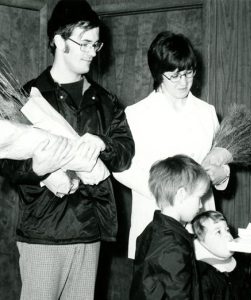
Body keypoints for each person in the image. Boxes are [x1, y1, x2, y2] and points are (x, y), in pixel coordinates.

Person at [0, 1, 134, 299]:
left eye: (96, 44)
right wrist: (37, 167)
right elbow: (7, 165)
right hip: (44, 232)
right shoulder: (26, 97)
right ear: (59, 41)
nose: (92, 51)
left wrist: (104, 144)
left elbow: (125, 152)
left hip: (89, 230)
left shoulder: (106, 101)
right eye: (84, 43)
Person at [113, 31, 232, 260]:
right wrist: (168, 194)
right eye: (174, 75)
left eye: (188, 73)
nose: (183, 82)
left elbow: (220, 158)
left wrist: (223, 173)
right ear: (158, 74)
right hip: (155, 217)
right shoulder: (136, 114)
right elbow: (122, 168)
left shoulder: (206, 112)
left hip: (202, 219)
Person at [130, 154, 210, 299]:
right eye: (199, 197)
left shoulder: (152, 230)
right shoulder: (174, 245)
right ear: (181, 195)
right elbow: (179, 294)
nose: (201, 205)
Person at [192, 210, 251, 300]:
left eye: (227, 229)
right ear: (201, 242)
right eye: (218, 232)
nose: (227, 235)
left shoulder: (237, 264)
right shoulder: (203, 275)